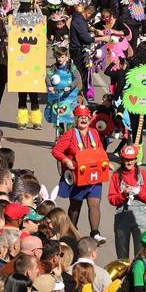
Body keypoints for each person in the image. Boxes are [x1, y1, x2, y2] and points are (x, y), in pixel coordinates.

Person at [52, 104, 108, 245]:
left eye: (86, 117)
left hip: (94, 175)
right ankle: (72, 231)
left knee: (95, 203)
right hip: (78, 176)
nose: (83, 120)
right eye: (80, 117)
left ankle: (95, 233)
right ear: (75, 119)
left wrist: (106, 161)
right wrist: (66, 160)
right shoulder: (69, 134)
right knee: (75, 206)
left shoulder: (94, 132)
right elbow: (56, 151)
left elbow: (100, 149)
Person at [107, 144, 146, 260]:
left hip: (140, 218)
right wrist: (123, 195)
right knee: (122, 256)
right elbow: (111, 199)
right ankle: (125, 278)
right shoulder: (116, 176)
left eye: (131, 159)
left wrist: (139, 192)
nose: (129, 162)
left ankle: (139, 277)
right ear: (122, 159)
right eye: (126, 159)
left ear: (135, 159)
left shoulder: (144, 175)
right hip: (122, 216)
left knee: (142, 254)